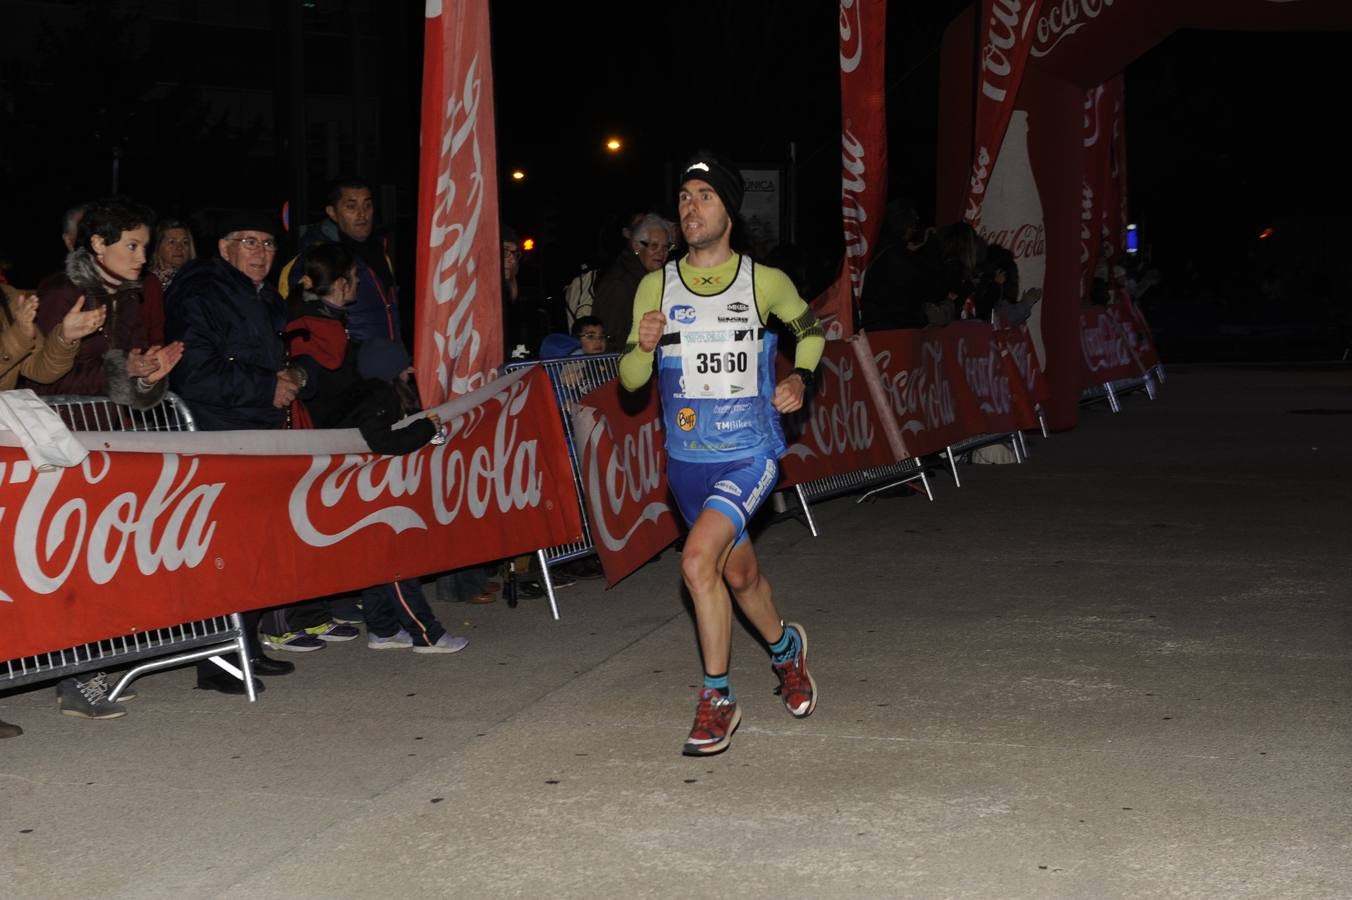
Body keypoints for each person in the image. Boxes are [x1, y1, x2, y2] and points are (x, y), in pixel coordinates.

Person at [619, 153, 824, 756]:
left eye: (704, 196)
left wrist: (800, 379)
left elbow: (811, 332)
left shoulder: (765, 280)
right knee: (738, 572)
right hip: (686, 462)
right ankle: (787, 652)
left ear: (728, 211)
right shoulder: (655, 285)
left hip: (749, 452)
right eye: (684, 197)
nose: (690, 207)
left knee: (696, 562)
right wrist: (644, 344)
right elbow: (632, 379)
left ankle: (717, 698)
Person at [165, 210, 303, 692]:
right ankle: (219, 661)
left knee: (255, 548)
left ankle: (246, 644)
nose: (261, 253)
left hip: (254, 430)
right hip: (219, 433)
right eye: (250, 242)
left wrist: (287, 379)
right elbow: (193, 373)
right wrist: (266, 387)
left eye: (268, 244)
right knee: (225, 551)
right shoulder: (202, 291)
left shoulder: (258, 295)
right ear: (224, 248)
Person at [27, 197, 184, 405]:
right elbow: (39, 381)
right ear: (99, 244)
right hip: (57, 429)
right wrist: (123, 370)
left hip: (104, 427)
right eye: (132, 246)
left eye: (144, 247)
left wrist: (146, 377)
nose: (143, 258)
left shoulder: (128, 297)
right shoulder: (62, 292)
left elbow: (131, 370)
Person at [282, 175, 401, 344]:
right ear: (332, 213)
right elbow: (303, 316)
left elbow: (389, 310)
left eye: (367, 205)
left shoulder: (378, 249)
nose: (362, 214)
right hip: (348, 363)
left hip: (386, 359)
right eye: (351, 207)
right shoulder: (319, 258)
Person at [594, 212, 676, 352]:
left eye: (665, 247)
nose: (661, 253)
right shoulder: (620, 283)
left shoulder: (656, 278)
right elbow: (609, 338)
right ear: (637, 246)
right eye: (653, 246)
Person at [141, 217, 197, 345]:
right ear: (158, 246)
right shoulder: (143, 282)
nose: (179, 247)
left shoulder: (198, 282)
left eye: (185, 242)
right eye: (172, 242)